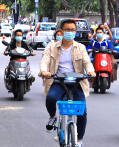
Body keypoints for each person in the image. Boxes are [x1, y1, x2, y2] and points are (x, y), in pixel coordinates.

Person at [40, 19, 94, 147]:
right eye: (67, 30)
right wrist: (44, 71)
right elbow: (44, 61)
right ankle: (52, 117)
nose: (70, 32)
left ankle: (79, 140)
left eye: (72, 30)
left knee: (82, 111)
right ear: (61, 31)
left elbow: (87, 62)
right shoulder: (52, 47)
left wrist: (91, 71)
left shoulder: (80, 47)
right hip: (58, 81)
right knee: (51, 98)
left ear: (75, 32)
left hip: (77, 82)